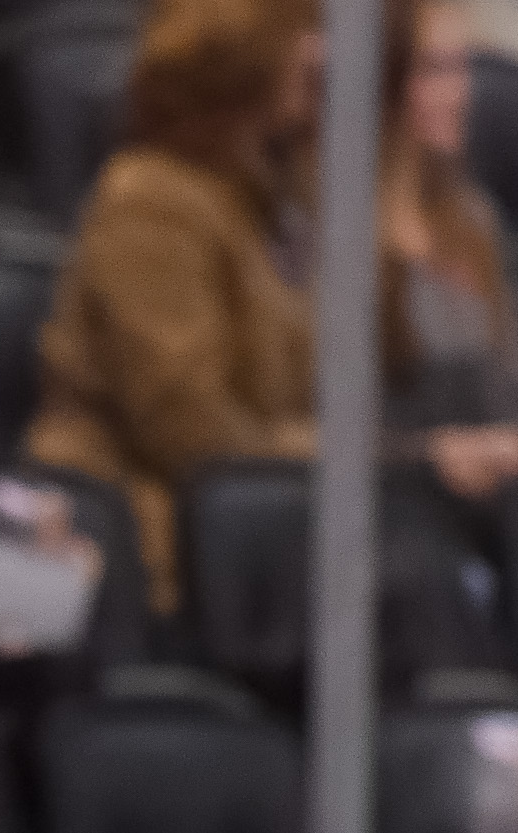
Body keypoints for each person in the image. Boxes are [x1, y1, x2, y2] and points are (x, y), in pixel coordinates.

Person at [22, 0, 324, 609]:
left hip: (227, 529)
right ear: (241, 60)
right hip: (109, 542)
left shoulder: (259, 199)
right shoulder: (147, 202)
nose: (319, 54)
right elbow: (186, 427)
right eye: (302, 33)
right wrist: (341, 457)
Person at [383, 0, 518, 517]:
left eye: (463, 68)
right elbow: (309, 416)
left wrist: (514, 447)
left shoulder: (473, 219)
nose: (461, 95)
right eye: (434, 70)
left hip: (492, 505)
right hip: (384, 503)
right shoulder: (322, 226)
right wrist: (424, 457)